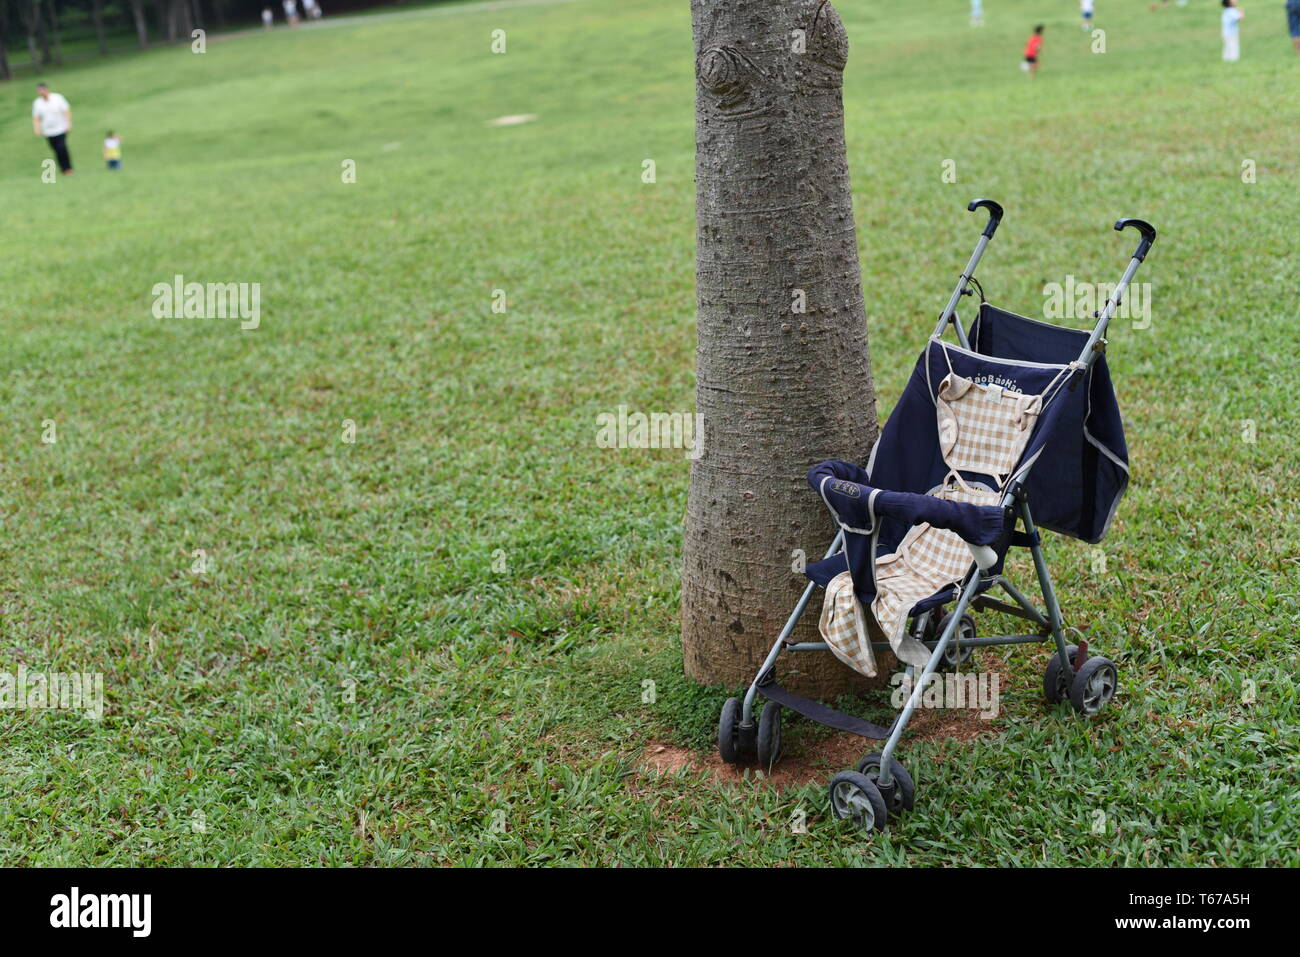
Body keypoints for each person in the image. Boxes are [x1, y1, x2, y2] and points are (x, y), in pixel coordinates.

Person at [31, 82, 73, 176]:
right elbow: (36, 118)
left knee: (62, 148)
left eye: (42, 90)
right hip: (48, 131)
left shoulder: (57, 98)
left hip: (61, 128)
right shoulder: (37, 103)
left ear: (47, 89)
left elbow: (66, 111)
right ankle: (63, 169)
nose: (41, 92)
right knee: (56, 150)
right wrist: (37, 128)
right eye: (39, 91)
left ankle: (68, 168)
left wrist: (68, 123)